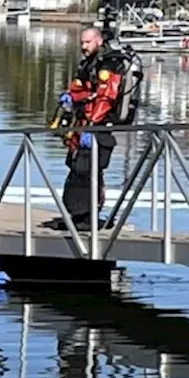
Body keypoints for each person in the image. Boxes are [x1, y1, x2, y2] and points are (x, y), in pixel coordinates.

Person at [48, 26, 126, 232]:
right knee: (76, 168)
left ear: (98, 41)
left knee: (89, 170)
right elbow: (80, 88)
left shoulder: (109, 64)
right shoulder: (89, 63)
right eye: (82, 42)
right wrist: (69, 98)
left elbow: (107, 96)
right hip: (82, 125)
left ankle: (87, 218)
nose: (83, 46)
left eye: (88, 42)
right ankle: (76, 216)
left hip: (97, 128)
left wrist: (92, 126)